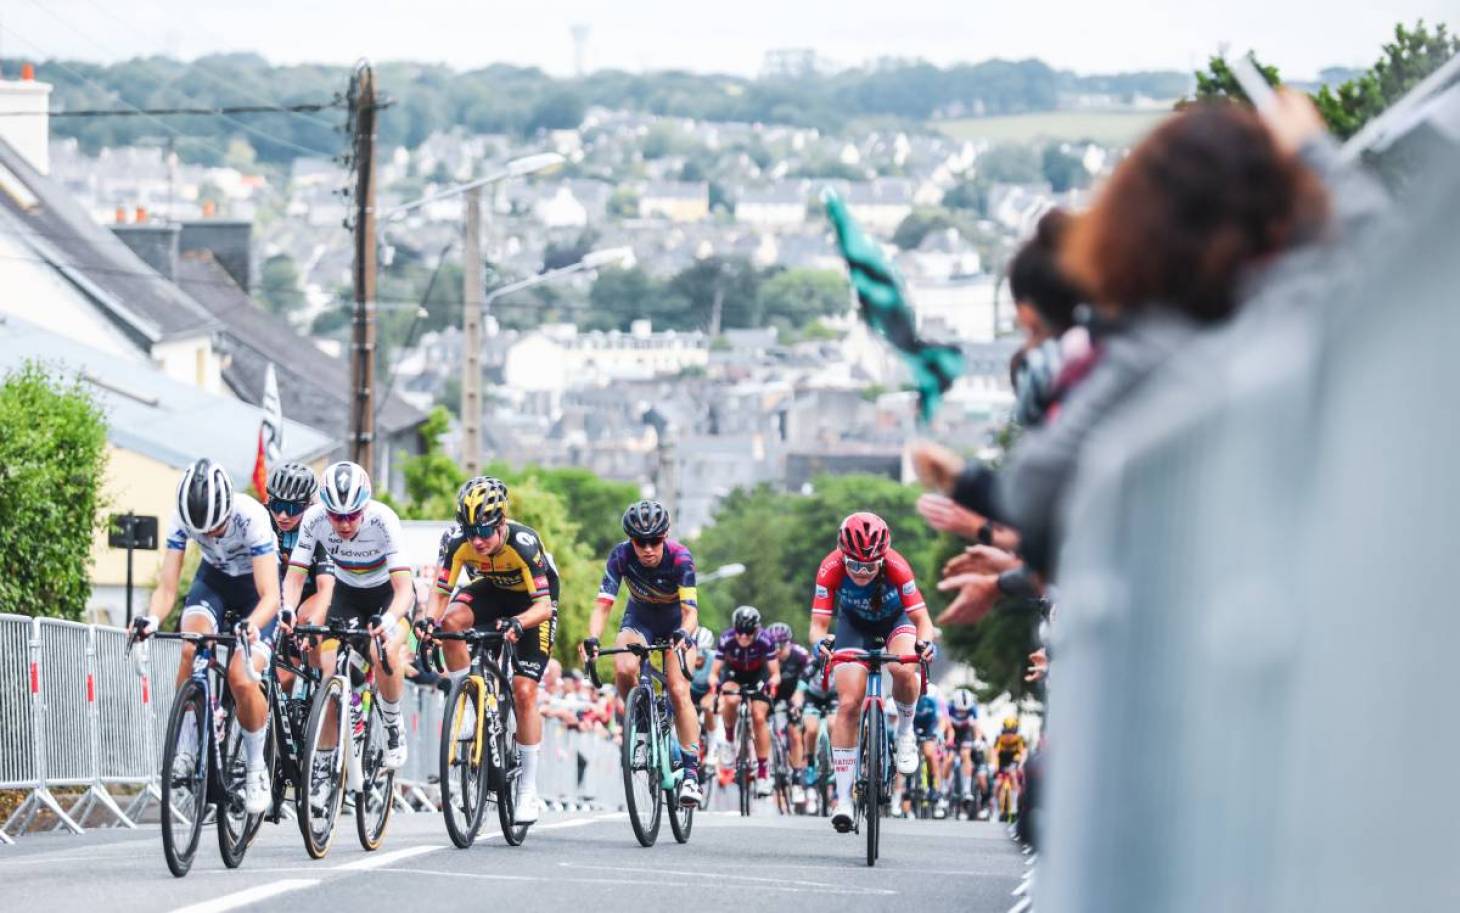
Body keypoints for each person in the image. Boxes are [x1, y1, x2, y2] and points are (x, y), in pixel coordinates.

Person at [133, 459, 279, 814]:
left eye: (217, 527)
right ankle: (186, 746)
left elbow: (270, 595)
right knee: (190, 647)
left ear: (228, 508)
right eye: (204, 531)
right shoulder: (181, 516)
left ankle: (256, 770)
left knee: (241, 678)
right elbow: (168, 586)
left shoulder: (251, 517)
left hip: (255, 593)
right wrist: (152, 618)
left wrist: (253, 623)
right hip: (213, 582)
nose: (211, 535)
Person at [417, 476, 560, 823]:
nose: (477, 541)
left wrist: (518, 623)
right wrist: (427, 623)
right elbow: (439, 593)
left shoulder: (525, 543)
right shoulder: (455, 541)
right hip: (492, 590)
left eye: (484, 532)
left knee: (524, 691)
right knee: (450, 625)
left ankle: (527, 788)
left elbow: (544, 607)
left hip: (533, 604)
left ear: (501, 523)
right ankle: (467, 701)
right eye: (471, 533)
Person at [281, 461, 414, 790]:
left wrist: (388, 620)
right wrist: (286, 609)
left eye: (352, 515)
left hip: (386, 596)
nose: (343, 523)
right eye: (335, 515)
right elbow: (295, 578)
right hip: (347, 594)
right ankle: (324, 768)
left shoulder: (384, 520)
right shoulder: (313, 520)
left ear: (365, 505)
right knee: (330, 675)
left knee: (380, 647)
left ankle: (393, 723)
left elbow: (405, 590)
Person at [808, 512, 936, 833]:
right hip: (853, 627)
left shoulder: (897, 565)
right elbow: (817, 626)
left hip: (897, 622)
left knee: (903, 667)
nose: (862, 572)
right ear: (842, 554)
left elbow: (923, 621)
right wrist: (819, 644)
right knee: (848, 704)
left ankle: (905, 732)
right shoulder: (830, 567)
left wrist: (926, 644)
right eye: (854, 565)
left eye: (869, 566)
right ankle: (843, 799)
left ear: (882, 558)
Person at [582, 499, 704, 808]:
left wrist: (683, 634)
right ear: (630, 540)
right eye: (640, 542)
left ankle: (691, 773)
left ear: (665, 537)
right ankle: (640, 725)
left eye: (654, 541)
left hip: (677, 622)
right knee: (623, 667)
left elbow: (691, 612)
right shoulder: (620, 556)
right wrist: (593, 638)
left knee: (678, 689)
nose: (648, 548)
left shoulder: (680, 558)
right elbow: (603, 604)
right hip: (640, 619)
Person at [264, 462, 335, 696]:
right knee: (282, 677)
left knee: (306, 617)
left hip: (316, 590)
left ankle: (320, 689)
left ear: (309, 505)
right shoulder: (263, 520)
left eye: (292, 508)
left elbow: (327, 588)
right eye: (277, 505)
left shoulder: (320, 523)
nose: (283, 515)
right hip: (281, 592)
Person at [709, 606, 781, 798]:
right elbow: (714, 672)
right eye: (739, 631)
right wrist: (715, 682)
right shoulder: (726, 639)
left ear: (756, 629)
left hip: (758, 675)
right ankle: (730, 741)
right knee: (731, 699)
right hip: (734, 673)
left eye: (748, 632)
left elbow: (775, 674)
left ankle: (764, 775)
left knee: (759, 716)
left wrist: (773, 683)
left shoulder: (766, 639)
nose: (743, 637)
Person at [766, 621, 811, 805]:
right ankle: (767, 769)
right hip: (774, 694)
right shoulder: (766, 656)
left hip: (794, 694)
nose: (777, 650)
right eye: (774, 646)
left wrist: (798, 701)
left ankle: (797, 779)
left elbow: (807, 678)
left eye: (781, 646)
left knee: (794, 731)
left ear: (789, 643)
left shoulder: (800, 655)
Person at [942, 687, 984, 814]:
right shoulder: (949, 707)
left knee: (966, 755)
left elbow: (977, 727)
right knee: (949, 760)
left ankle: (966, 789)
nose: (962, 712)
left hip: (965, 733)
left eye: (964, 711)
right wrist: (943, 739)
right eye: (960, 710)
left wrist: (978, 740)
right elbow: (945, 724)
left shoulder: (973, 708)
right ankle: (944, 789)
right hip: (952, 732)